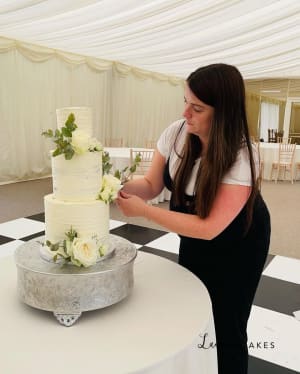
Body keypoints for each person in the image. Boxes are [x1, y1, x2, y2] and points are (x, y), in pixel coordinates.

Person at [117, 63, 271, 374]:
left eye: (197, 108)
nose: (186, 113)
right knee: (192, 310)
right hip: (196, 234)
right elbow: (151, 185)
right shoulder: (176, 133)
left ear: (223, 112)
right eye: (185, 102)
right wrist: (115, 187)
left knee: (227, 324)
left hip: (239, 243)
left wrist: (145, 212)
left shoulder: (242, 154)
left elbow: (210, 228)